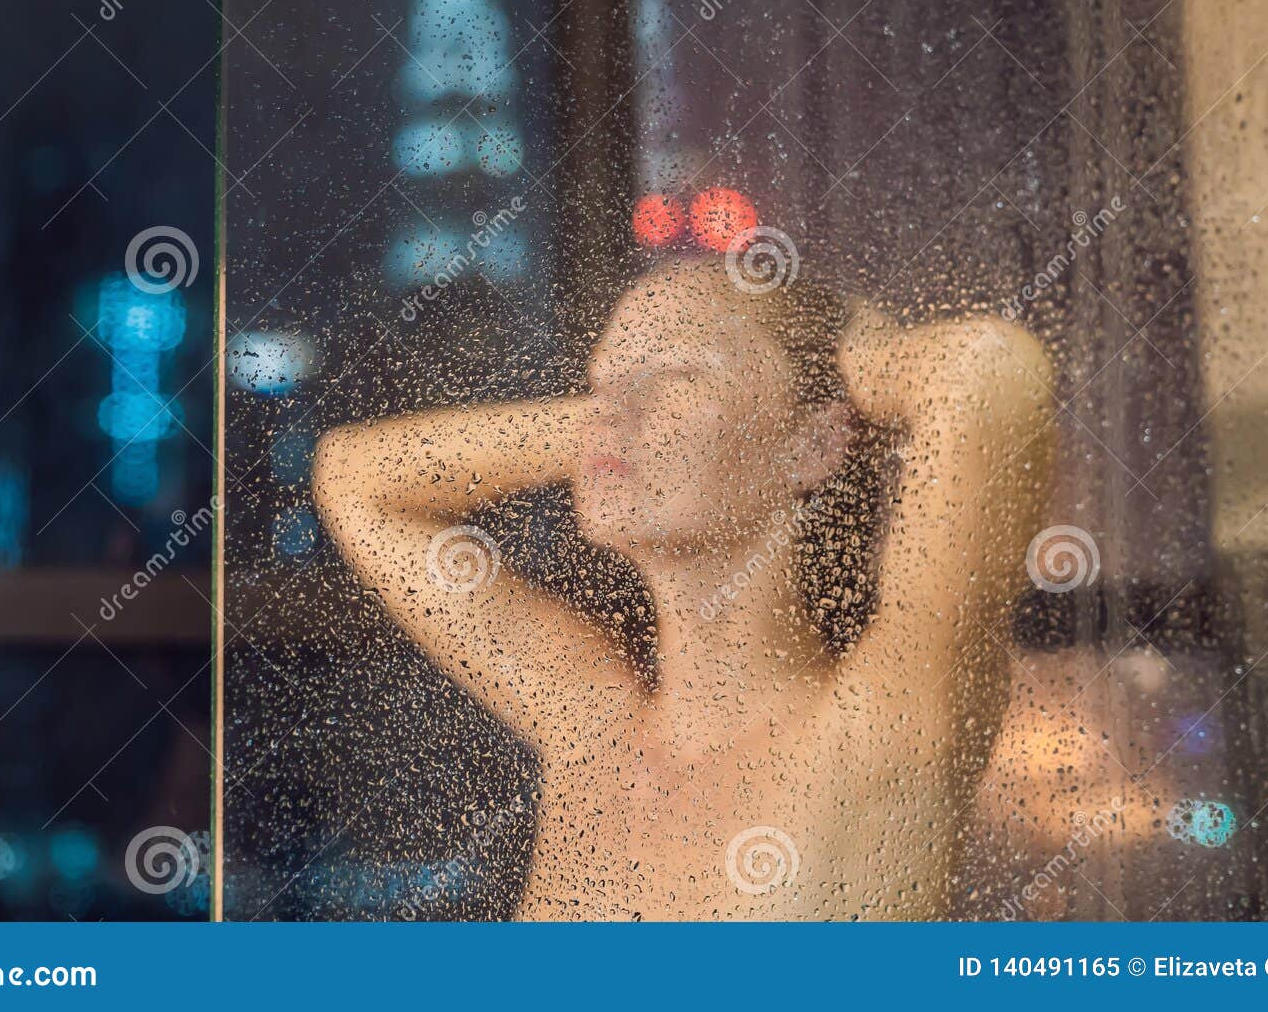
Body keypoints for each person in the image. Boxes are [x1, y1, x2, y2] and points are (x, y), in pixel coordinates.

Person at [313, 254, 1056, 919]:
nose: (611, 411)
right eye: (602, 381)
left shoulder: (880, 728)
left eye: (676, 376)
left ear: (813, 443)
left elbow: (987, 370)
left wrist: (847, 356)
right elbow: (355, 479)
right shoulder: (589, 730)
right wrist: (614, 421)